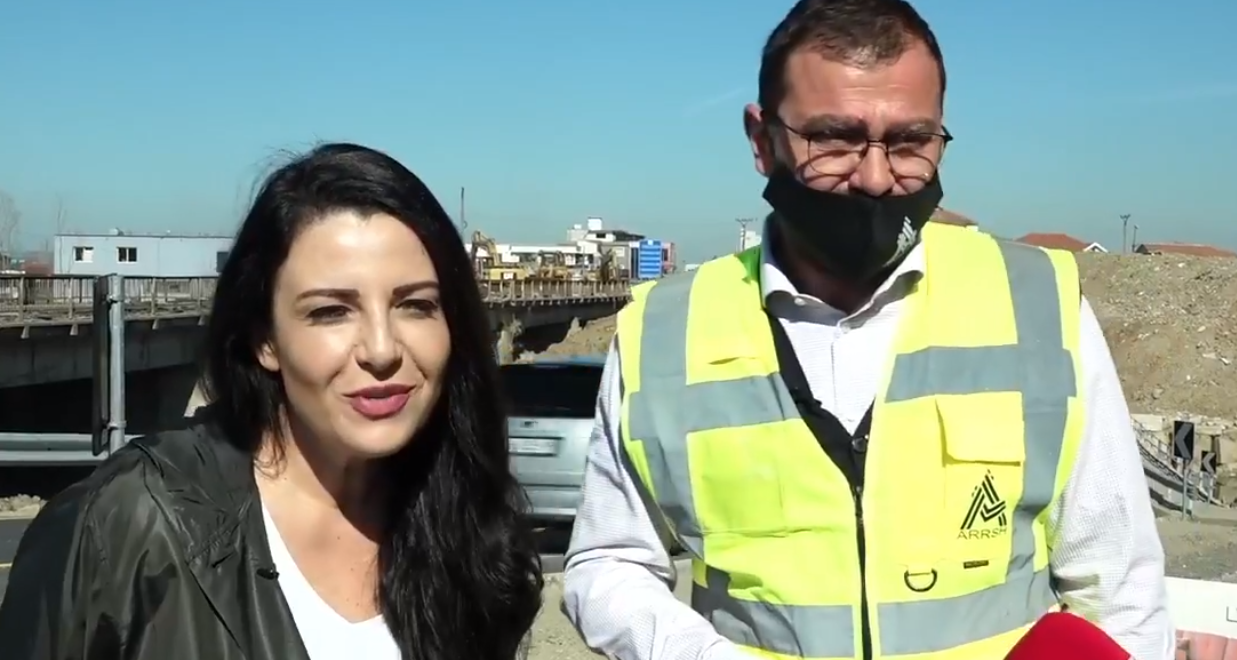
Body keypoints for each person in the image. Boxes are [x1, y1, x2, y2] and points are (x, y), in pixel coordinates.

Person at [561, 1, 1175, 660]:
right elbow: (609, 564)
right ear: (763, 142)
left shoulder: (1041, 305)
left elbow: (1121, 590)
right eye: (835, 139)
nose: (877, 177)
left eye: (911, 141)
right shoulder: (664, 331)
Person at [0, 143, 543, 660]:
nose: (382, 350)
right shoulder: (126, 528)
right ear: (265, 339)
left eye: (416, 305)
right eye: (331, 311)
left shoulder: (470, 529)